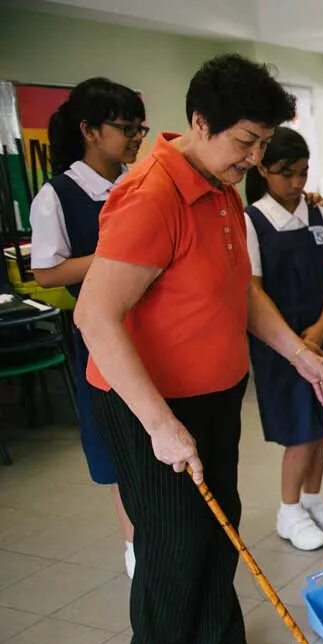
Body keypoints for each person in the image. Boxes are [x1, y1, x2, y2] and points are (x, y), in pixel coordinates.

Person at [74, 54, 323, 644]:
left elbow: (237, 292)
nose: (252, 158)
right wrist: (160, 424)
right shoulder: (151, 194)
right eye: (245, 142)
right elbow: (95, 315)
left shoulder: (219, 188)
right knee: (171, 530)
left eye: (262, 145)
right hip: (147, 402)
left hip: (213, 391)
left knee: (221, 519)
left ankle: (217, 641)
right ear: (199, 121)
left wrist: (298, 352)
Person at [30, 77, 147, 578]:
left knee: (160, 441)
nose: (136, 139)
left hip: (154, 331)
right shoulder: (58, 196)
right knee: (121, 447)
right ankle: (135, 547)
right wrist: (113, 261)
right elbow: (47, 272)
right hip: (104, 336)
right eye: (126, 129)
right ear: (90, 131)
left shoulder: (139, 185)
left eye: (140, 128)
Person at [243, 127, 323, 552]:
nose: (297, 183)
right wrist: (295, 343)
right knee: (299, 430)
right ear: (262, 169)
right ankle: (289, 510)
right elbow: (252, 290)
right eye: (286, 173)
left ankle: (314, 500)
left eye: (304, 173)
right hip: (280, 343)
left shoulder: (319, 215)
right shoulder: (251, 220)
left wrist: (320, 329)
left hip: (320, 333)